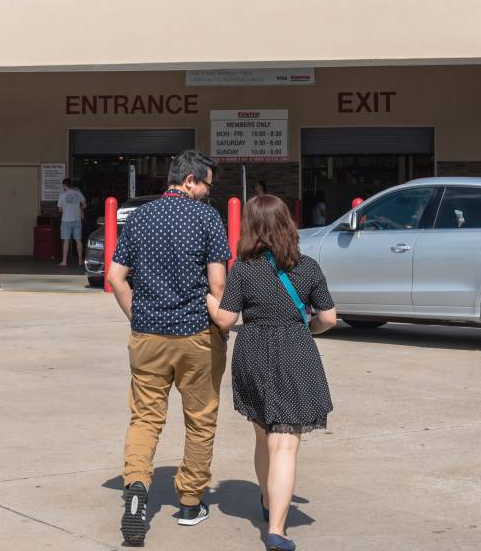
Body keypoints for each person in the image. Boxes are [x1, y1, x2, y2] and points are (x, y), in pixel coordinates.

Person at [106, 150, 231, 544]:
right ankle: (191, 502)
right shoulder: (208, 218)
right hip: (197, 336)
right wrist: (222, 325)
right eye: (207, 185)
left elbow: (114, 276)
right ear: (191, 180)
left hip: (149, 337)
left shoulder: (140, 217)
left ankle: (137, 491)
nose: (208, 193)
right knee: (200, 418)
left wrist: (136, 315)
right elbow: (219, 286)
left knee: (144, 418)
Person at [204, 195, 337, 551]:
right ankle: (277, 529)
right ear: (287, 225)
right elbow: (328, 318)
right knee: (285, 444)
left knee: (264, 437)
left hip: (253, 353)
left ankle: (266, 499)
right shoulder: (307, 266)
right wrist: (306, 326)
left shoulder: (243, 269)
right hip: (295, 350)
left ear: (251, 228)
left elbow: (227, 318)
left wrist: (206, 296)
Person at [57, 178, 86, 267]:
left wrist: (66, 209)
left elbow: (60, 209)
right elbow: (84, 205)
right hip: (77, 219)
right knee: (78, 240)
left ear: (65, 185)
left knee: (66, 241)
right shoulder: (78, 193)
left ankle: (64, 261)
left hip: (66, 220)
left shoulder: (62, 195)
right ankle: (80, 260)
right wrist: (79, 209)